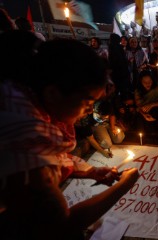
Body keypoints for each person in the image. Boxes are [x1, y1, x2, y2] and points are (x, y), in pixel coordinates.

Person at [0, 31, 139, 239]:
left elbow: (56, 156)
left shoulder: (20, 95)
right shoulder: (22, 135)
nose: (88, 111)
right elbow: (59, 225)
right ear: (54, 93)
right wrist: (123, 186)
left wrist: (89, 171)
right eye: (88, 103)